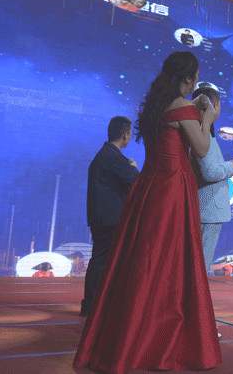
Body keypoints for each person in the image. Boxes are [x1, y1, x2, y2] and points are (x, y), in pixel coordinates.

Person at [74, 51, 221, 373]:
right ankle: (158, 341)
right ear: (187, 78)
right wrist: (207, 118)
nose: (196, 81)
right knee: (169, 264)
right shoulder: (182, 106)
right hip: (172, 188)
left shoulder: (155, 106)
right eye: (196, 76)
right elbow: (201, 149)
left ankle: (128, 338)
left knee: (140, 262)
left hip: (149, 188)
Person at [80, 116, 139, 317]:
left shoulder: (106, 155)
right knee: (101, 261)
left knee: (101, 260)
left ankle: (94, 304)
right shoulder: (113, 157)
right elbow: (135, 180)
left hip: (102, 217)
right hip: (109, 219)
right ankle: (91, 306)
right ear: (125, 135)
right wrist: (133, 167)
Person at [190, 83, 233, 273]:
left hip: (205, 208)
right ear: (213, 106)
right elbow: (209, 172)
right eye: (219, 105)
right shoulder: (201, 132)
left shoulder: (199, 130)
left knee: (197, 261)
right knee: (200, 264)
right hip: (208, 208)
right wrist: (231, 166)